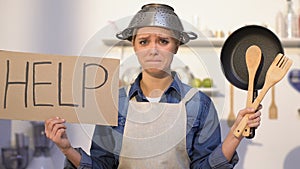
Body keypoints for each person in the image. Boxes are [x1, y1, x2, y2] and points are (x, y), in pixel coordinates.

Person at [45, 3, 261, 169]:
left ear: (176, 46)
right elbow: (102, 166)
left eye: (163, 41)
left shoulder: (199, 104)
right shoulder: (113, 102)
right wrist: (66, 149)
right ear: (134, 46)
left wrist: (236, 134)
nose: (153, 50)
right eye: (144, 41)